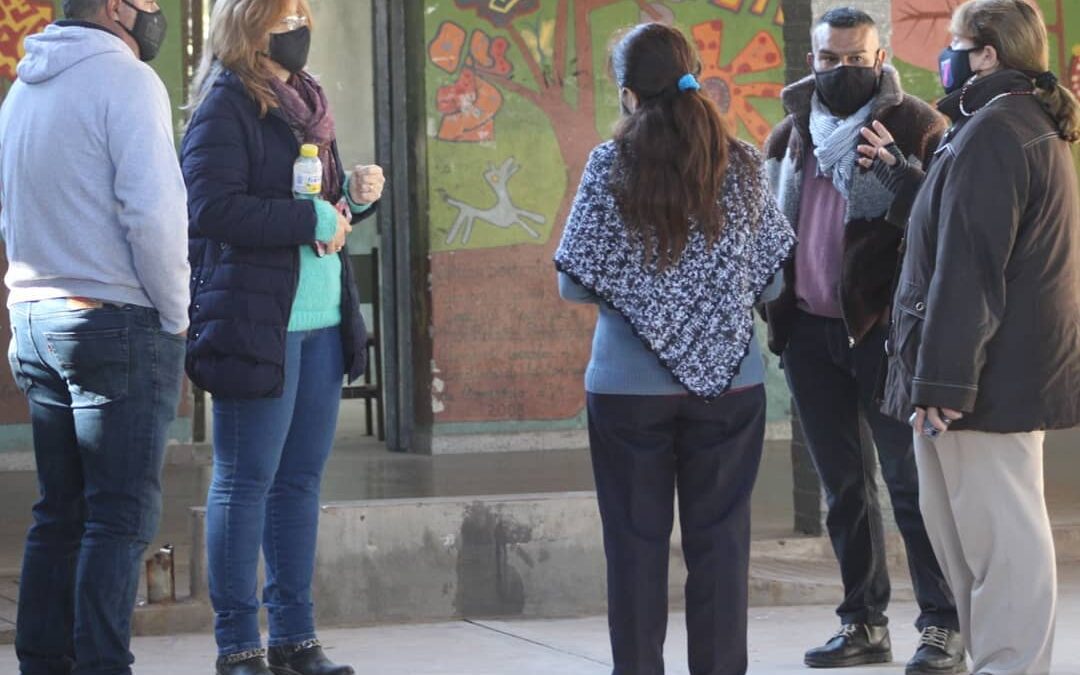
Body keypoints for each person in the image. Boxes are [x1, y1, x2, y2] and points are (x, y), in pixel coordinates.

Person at [555, 23, 795, 675]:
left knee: (634, 547)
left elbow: (573, 280)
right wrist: (709, 290)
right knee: (720, 546)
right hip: (731, 386)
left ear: (629, 94)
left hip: (626, 392)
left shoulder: (610, 164)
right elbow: (772, 274)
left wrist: (643, 288)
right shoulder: (740, 161)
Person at [864, 1, 1080, 672]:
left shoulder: (998, 131)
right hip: (973, 382)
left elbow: (971, 269)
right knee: (968, 547)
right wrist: (908, 181)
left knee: (1003, 553)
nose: (945, 57)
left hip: (984, 386)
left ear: (986, 54)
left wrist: (943, 383)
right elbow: (957, 227)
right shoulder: (992, 128)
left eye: (955, 44)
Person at [759, 7, 965, 672]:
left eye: (856, 59)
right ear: (812, 61)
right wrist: (775, 313)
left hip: (884, 336)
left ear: (880, 60)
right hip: (811, 336)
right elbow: (771, 230)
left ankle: (942, 624)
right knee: (843, 489)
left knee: (909, 484)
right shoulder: (790, 134)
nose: (842, 70)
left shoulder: (920, 127)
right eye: (830, 59)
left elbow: (944, 233)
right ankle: (862, 622)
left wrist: (898, 171)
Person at [181, 0, 384, 673]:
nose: (301, 21)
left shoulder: (308, 100)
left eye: (303, 8)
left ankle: (296, 638)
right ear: (247, 23)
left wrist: (355, 196)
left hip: (322, 316)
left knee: (299, 481)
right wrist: (311, 221)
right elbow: (212, 207)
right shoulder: (225, 106)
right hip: (256, 324)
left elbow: (324, 209)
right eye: (285, 11)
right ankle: (239, 644)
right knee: (245, 482)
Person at [0, 1, 188, 673]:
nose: (155, 11)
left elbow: (10, 211)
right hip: (115, 324)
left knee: (60, 512)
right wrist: (176, 313)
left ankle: (44, 662)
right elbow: (157, 217)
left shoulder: (23, 88)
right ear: (115, 7)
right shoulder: (128, 80)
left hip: (35, 318)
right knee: (119, 518)